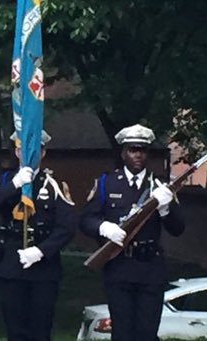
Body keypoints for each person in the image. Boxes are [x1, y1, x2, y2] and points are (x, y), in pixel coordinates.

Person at [79, 124, 185, 341]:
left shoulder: (160, 186)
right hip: (119, 267)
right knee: (122, 333)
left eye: (142, 150)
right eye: (133, 150)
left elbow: (178, 229)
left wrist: (165, 208)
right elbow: (86, 220)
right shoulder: (107, 183)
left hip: (150, 267)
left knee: (147, 333)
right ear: (123, 153)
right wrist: (104, 228)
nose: (138, 155)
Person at [0, 131, 75, 341]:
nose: (30, 154)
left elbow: (67, 227)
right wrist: (15, 184)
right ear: (17, 152)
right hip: (11, 264)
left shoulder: (53, 185)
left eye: (35, 150)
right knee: (15, 330)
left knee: (40, 330)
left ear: (43, 153)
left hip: (44, 267)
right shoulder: (5, 180)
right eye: (24, 150)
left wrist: (41, 251)